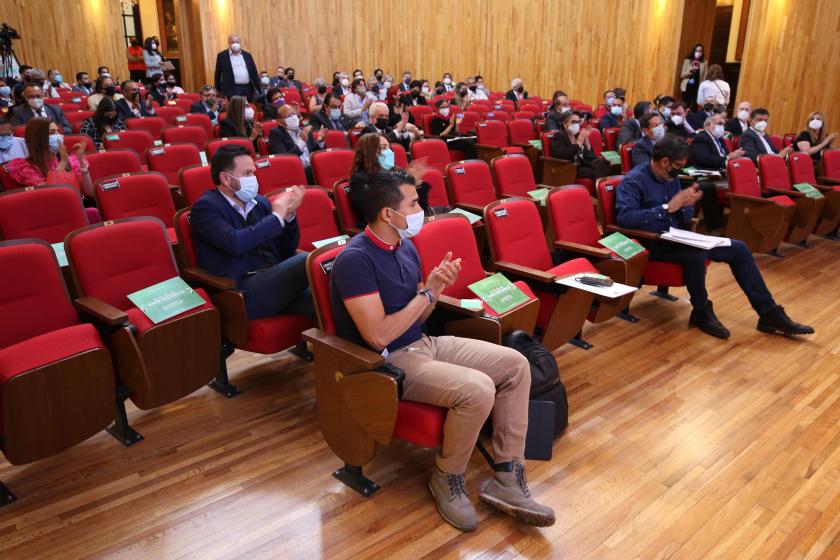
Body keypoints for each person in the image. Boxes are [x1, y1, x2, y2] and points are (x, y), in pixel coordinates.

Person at [330, 169, 555, 532]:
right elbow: (378, 336)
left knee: (516, 364)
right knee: (478, 388)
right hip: (388, 362)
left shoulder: (404, 246)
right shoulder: (356, 259)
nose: (422, 210)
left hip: (423, 343)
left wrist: (436, 288)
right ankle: (446, 476)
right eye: (414, 203)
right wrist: (428, 293)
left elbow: (423, 309)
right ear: (389, 214)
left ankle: (507, 475)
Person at [616, 135, 813, 338]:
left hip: (676, 236)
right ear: (665, 162)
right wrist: (668, 207)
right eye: (678, 165)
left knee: (739, 248)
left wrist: (687, 205)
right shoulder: (633, 180)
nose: (680, 170)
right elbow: (625, 217)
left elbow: (681, 215)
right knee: (696, 254)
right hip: (651, 241)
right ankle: (701, 310)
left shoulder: (671, 177)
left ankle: (769, 313)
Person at [190, 144, 314, 321]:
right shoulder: (206, 208)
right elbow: (235, 243)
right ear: (226, 178)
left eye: (254, 173)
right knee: (308, 260)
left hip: (276, 280)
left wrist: (288, 216)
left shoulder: (260, 202)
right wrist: (277, 216)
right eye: (247, 174)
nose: (253, 178)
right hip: (243, 291)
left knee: (329, 300)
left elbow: (287, 250)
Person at [7, 117, 93, 197]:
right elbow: (49, 195)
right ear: (38, 138)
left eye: (58, 131)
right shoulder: (27, 167)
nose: (58, 136)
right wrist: (62, 163)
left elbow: (88, 192)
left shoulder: (69, 160)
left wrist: (82, 165)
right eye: (52, 132)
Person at [268, 104, 325, 182]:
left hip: (311, 168)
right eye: (288, 116)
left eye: (293, 114)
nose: (293, 117)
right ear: (280, 122)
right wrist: (302, 142)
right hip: (295, 171)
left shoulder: (304, 130)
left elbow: (313, 151)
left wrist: (320, 141)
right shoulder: (275, 133)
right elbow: (283, 159)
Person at [550, 110, 611, 180]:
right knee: (596, 170)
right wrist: (579, 142)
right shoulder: (558, 136)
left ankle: (601, 188)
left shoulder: (576, 135)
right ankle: (600, 188)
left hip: (581, 164)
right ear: (565, 124)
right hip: (568, 167)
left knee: (603, 163)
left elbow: (585, 155)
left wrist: (586, 141)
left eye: (578, 122)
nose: (577, 124)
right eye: (574, 122)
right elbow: (564, 155)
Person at [214, 34, 260, 100]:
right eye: (233, 42)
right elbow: (217, 74)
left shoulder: (247, 55)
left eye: (237, 42)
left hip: (248, 89)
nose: (235, 44)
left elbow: (254, 72)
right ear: (228, 43)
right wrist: (218, 90)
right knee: (235, 109)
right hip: (232, 89)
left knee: (249, 107)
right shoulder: (222, 56)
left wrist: (258, 88)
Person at [679, 43, 706, 110]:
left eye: (700, 51)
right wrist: (690, 70)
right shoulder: (687, 61)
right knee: (685, 105)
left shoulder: (704, 62)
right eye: (697, 51)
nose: (698, 53)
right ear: (693, 51)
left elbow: (705, 76)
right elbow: (682, 75)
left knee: (694, 106)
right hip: (687, 86)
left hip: (697, 87)